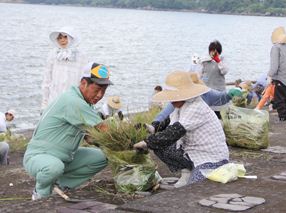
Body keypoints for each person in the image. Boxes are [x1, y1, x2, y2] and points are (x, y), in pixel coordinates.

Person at [23, 62, 112, 200]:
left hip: (65, 158)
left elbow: (91, 137)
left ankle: (59, 185)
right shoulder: (73, 101)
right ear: (84, 83)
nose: (100, 95)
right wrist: (130, 144)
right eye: (97, 89)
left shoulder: (84, 104)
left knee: (103, 157)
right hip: (39, 157)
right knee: (53, 168)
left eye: (104, 90)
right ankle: (40, 193)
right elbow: (104, 130)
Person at [134, 71, 229, 188]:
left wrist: (146, 142)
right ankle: (187, 171)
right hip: (192, 151)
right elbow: (168, 122)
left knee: (194, 188)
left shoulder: (196, 107)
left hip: (212, 158)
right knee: (160, 146)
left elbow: (173, 132)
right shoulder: (181, 106)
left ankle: (194, 172)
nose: (172, 101)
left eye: (175, 97)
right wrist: (151, 128)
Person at [153, 73, 241, 123]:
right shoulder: (179, 99)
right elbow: (164, 114)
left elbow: (220, 98)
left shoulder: (206, 94)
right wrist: (155, 124)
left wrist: (229, 94)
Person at [41, 26, 88, 111]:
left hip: (73, 98)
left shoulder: (81, 55)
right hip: (54, 97)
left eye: (65, 37)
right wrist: (45, 102)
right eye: (59, 38)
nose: (62, 40)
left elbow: (84, 79)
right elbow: (47, 78)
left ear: (71, 37)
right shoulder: (53, 54)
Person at [268, 27, 286, 121]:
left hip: (282, 77)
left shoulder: (276, 48)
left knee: (280, 99)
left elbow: (274, 66)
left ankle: (283, 118)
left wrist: (270, 75)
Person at [201, 40, 228, 119]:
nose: (213, 54)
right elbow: (199, 75)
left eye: (216, 52)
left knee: (219, 115)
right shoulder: (204, 61)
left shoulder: (222, 60)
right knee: (207, 115)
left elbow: (225, 71)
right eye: (212, 51)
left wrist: (218, 61)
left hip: (219, 92)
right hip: (207, 93)